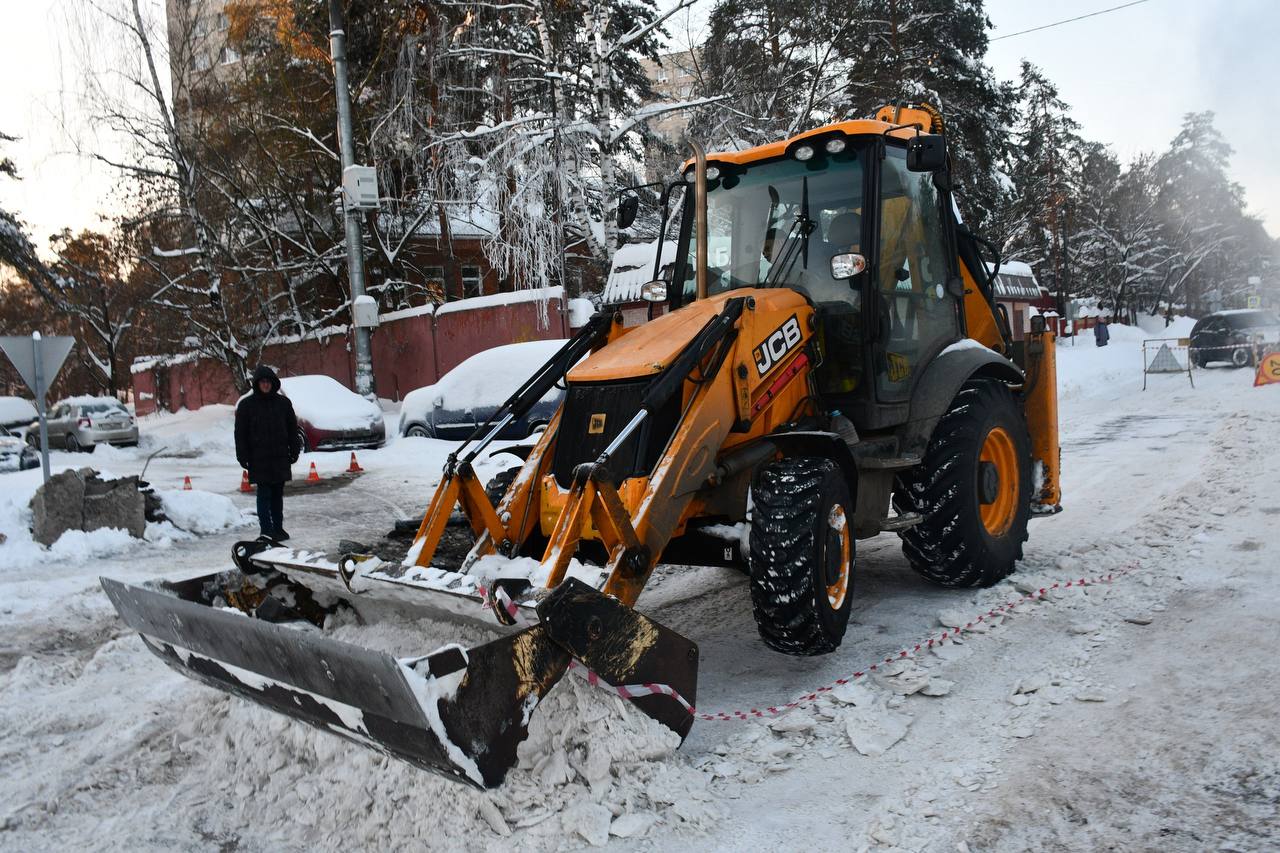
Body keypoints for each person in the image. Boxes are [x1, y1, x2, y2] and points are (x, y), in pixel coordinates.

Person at [235, 365, 301, 541]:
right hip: (259, 458)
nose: (266, 385)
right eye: (262, 382)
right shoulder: (247, 406)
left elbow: (292, 429)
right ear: (257, 384)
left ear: (273, 383)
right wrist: (242, 455)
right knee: (264, 494)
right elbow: (240, 433)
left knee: (277, 494)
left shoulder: (283, 404)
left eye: (268, 381)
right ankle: (266, 530)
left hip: (279, 457)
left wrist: (294, 450)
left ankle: (278, 528)